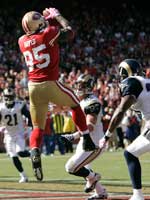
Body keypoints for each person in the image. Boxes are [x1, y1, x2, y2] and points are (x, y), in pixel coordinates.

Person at [18, 7, 96, 181]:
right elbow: (69, 32)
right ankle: (86, 137)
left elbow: (41, 32)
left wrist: (46, 21)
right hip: (50, 84)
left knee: (37, 126)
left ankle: (35, 151)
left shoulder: (21, 40)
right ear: (38, 23)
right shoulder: (48, 33)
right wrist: (57, 16)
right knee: (76, 105)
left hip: (32, 86)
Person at [99, 59, 149, 200]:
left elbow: (121, 110)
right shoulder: (146, 81)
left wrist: (107, 135)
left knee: (130, 154)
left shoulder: (132, 82)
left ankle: (138, 195)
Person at [61, 74, 108, 200]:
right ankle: (101, 192)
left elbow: (90, 126)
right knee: (85, 168)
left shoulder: (92, 102)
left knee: (71, 167)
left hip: (94, 144)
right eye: (78, 85)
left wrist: (73, 135)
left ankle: (94, 177)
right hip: (86, 141)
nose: (79, 88)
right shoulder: (81, 101)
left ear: (89, 87)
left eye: (82, 86)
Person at [0, 88, 31, 183]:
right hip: (8, 135)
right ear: (3, 97)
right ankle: (23, 176)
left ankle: (31, 154)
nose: (9, 99)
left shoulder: (19, 105)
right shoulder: (1, 107)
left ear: (14, 97)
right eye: (7, 97)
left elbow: (28, 116)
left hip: (19, 133)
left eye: (10, 97)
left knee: (20, 152)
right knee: (13, 156)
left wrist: (30, 127)